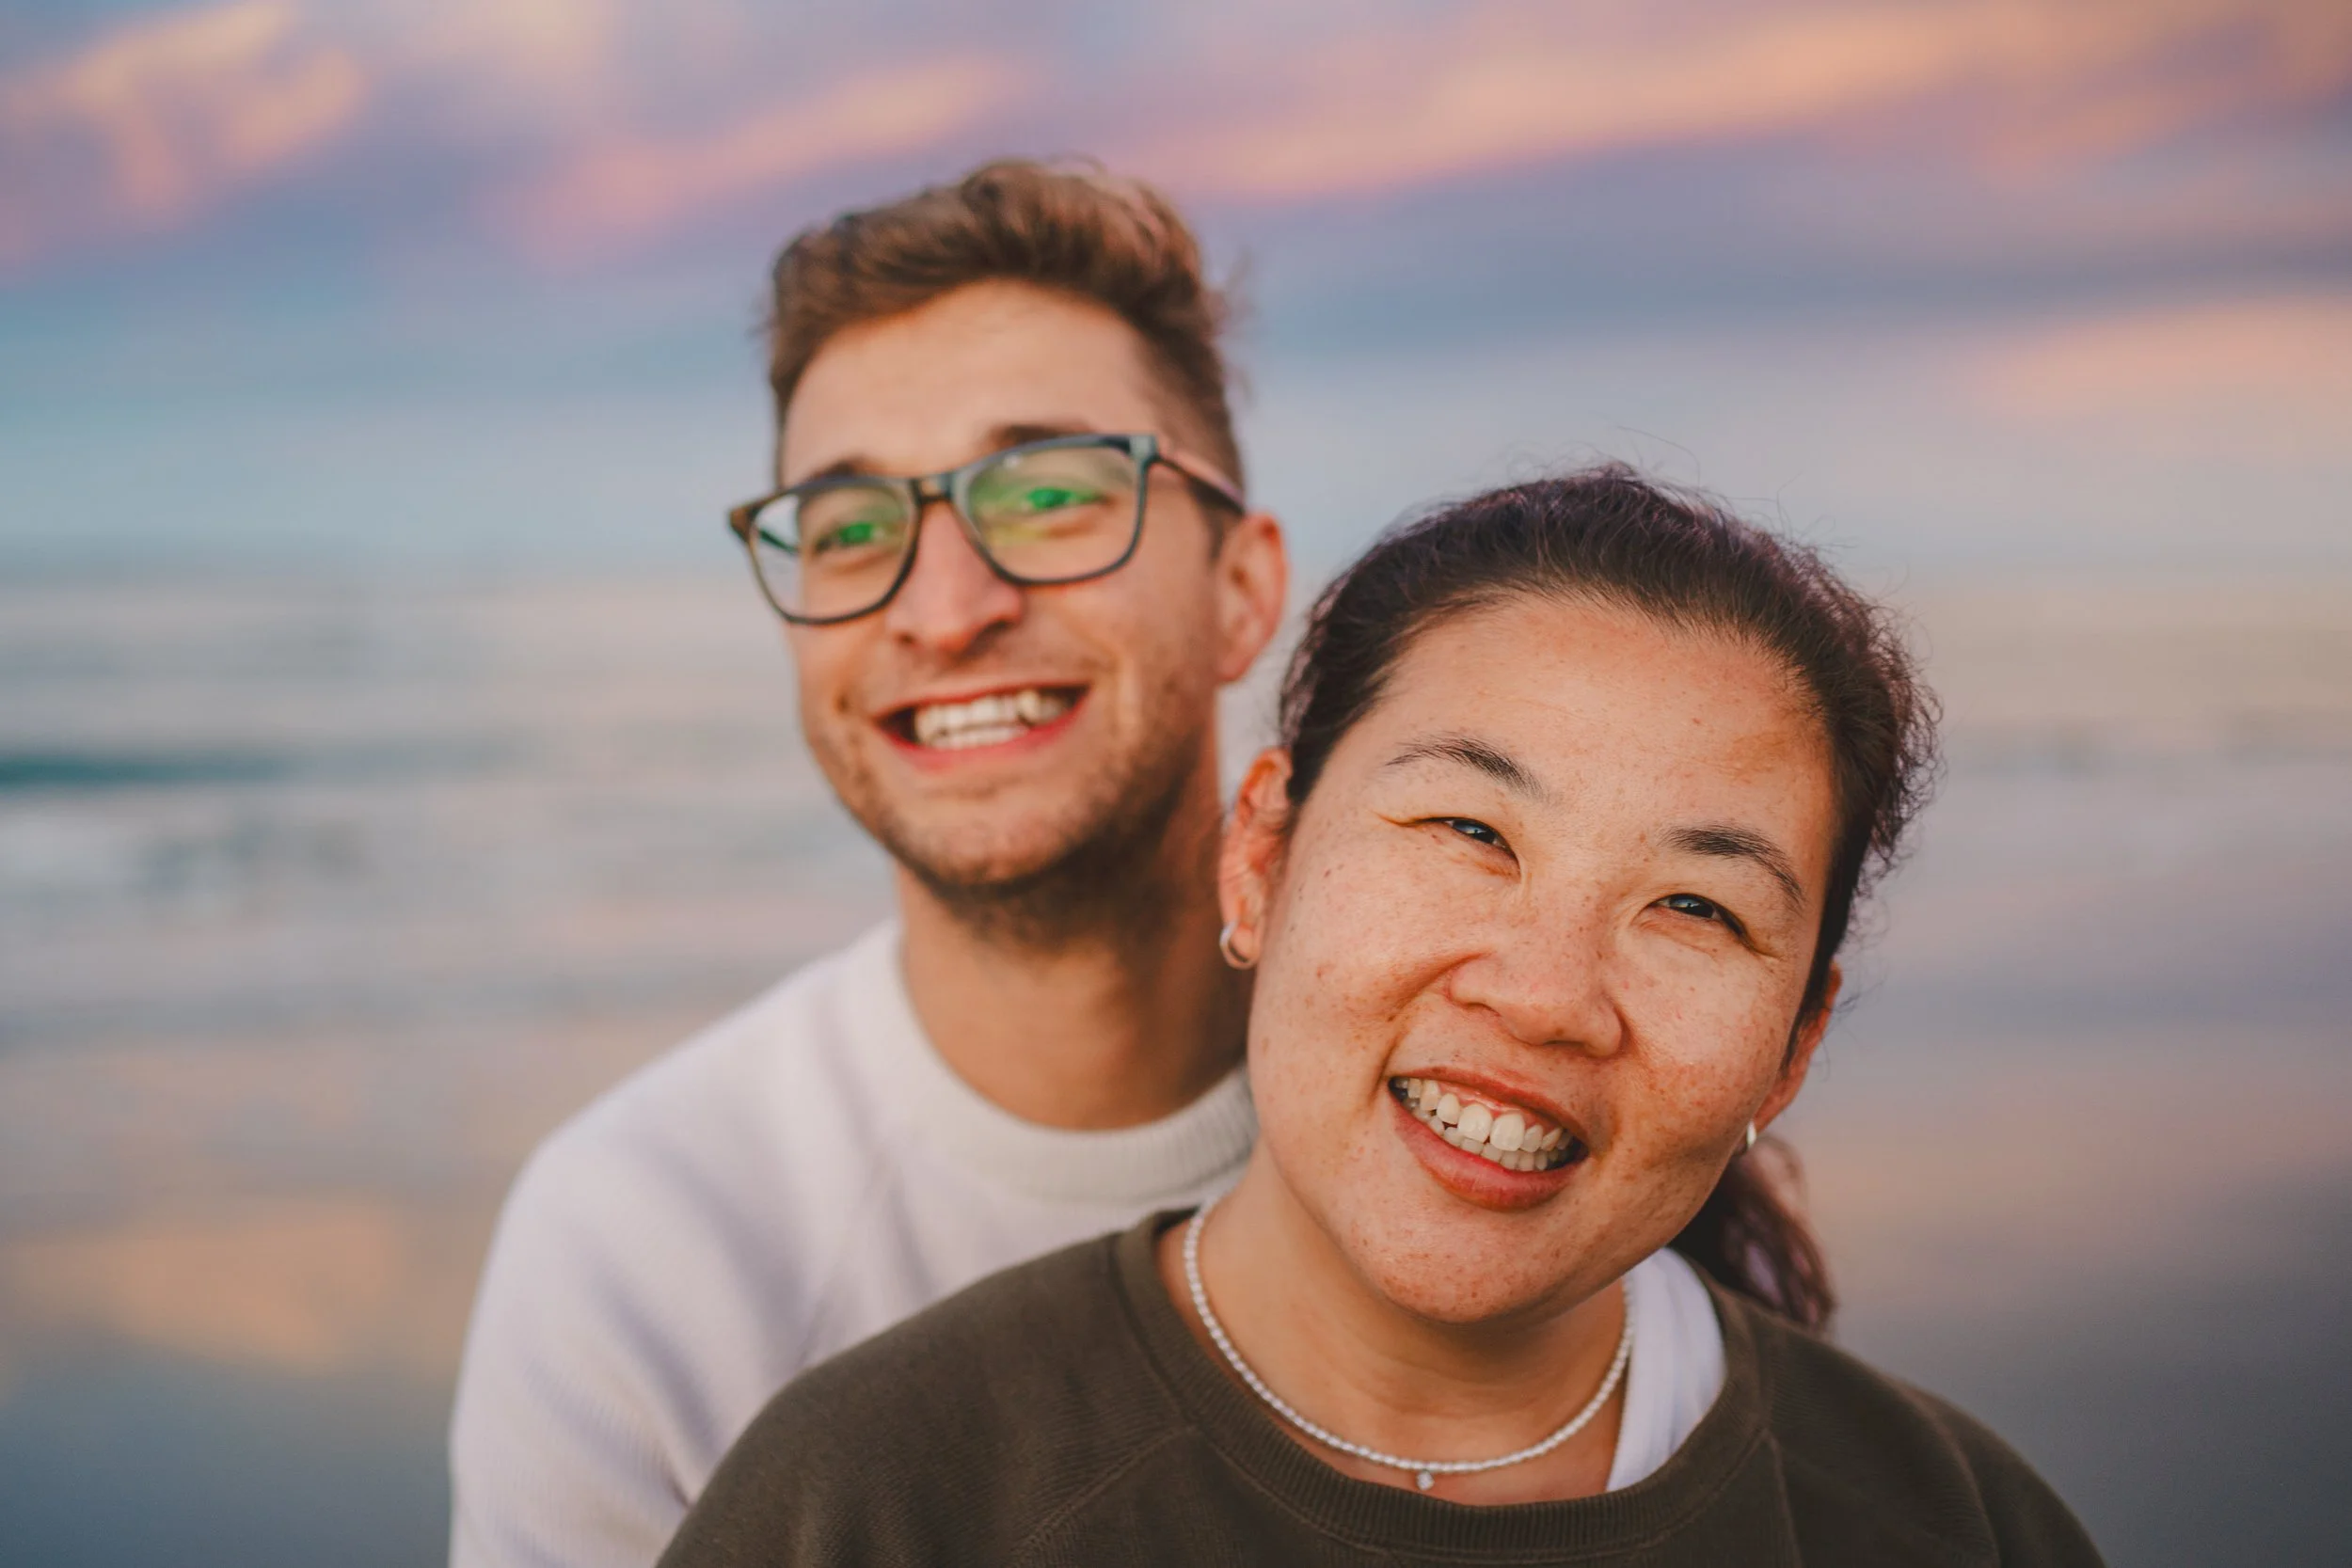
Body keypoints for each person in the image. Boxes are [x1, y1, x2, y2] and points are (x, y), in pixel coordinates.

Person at [660, 467, 2106, 1566]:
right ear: (1262, 858)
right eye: (1470, 828)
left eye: (1695, 909)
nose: (1544, 997)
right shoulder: (883, 1495)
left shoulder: (1953, 1524)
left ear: (1793, 1047)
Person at [447, 161, 1289, 1568]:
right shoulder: (639, 1247)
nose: (944, 610)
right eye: (848, 531)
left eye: (1052, 494)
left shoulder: (1473, 1135)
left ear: (1241, 589)